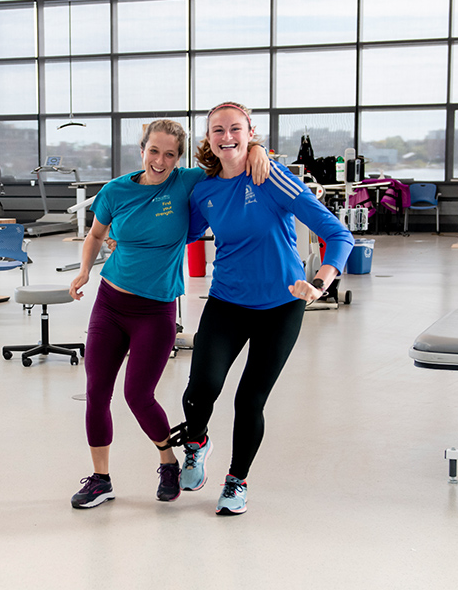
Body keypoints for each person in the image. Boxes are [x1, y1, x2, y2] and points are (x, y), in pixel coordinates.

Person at [68, 119, 272, 509]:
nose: (160, 161)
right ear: (141, 150)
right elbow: (95, 234)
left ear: (179, 158)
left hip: (156, 309)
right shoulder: (116, 191)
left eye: (170, 154)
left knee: (138, 395)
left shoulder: (187, 182)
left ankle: (168, 461)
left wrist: (259, 150)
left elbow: (230, 156)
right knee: (97, 392)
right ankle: (101, 479)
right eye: (154, 151)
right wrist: (84, 271)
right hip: (110, 303)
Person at [175, 102, 354, 515]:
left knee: (249, 399)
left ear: (250, 132)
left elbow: (337, 234)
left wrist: (321, 282)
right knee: (201, 389)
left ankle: (236, 481)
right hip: (227, 301)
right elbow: (179, 234)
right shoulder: (204, 191)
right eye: (218, 130)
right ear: (208, 138)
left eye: (235, 129)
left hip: (281, 306)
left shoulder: (273, 178)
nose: (227, 137)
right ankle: (197, 443)